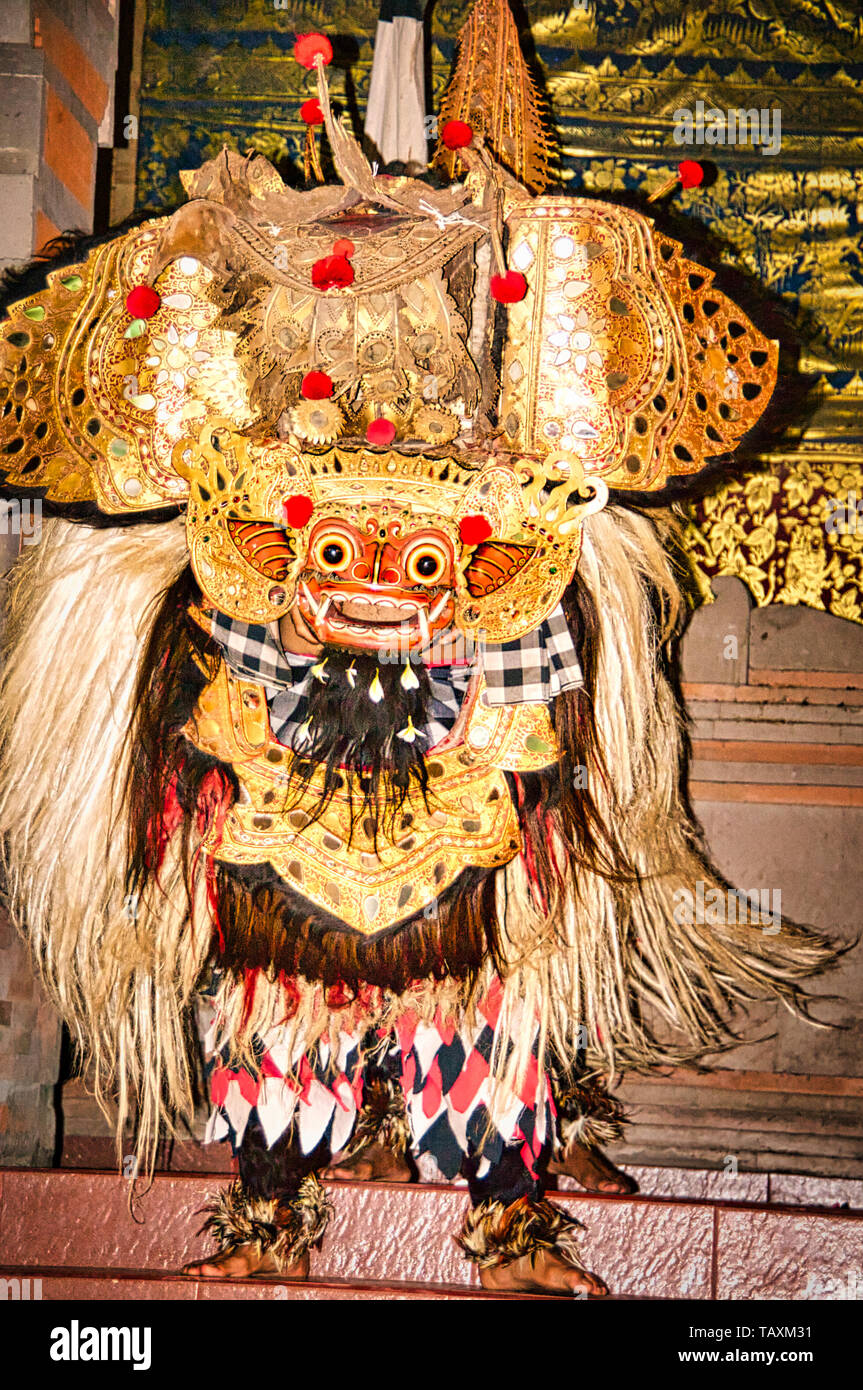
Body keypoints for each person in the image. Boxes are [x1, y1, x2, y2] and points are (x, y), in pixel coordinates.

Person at [0, 29, 834, 1299]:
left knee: (491, 1012)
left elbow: (553, 656)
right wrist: (269, 621)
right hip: (289, 839)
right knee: (278, 1014)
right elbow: (204, 638)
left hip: (461, 845)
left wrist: (486, 622)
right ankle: (269, 1211)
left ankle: (510, 1219)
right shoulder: (240, 510)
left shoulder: (513, 504)